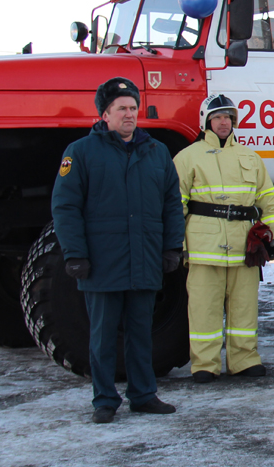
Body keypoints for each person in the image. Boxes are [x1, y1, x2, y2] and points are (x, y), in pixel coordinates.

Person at [51, 77, 184, 424]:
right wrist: (74, 253)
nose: (129, 114)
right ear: (105, 114)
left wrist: (172, 247)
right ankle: (104, 400)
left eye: (133, 108)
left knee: (141, 334)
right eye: (122, 108)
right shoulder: (80, 153)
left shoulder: (156, 153)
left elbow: (172, 203)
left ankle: (143, 395)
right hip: (102, 263)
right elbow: (65, 207)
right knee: (103, 336)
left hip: (144, 261)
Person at [174, 95, 274, 383]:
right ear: (206, 121)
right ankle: (204, 365)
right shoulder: (187, 158)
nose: (224, 122)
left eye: (228, 117)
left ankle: (244, 359)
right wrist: (176, 244)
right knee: (203, 307)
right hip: (203, 246)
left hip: (243, 245)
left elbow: (268, 201)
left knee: (244, 306)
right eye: (218, 117)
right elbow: (175, 206)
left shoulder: (250, 158)